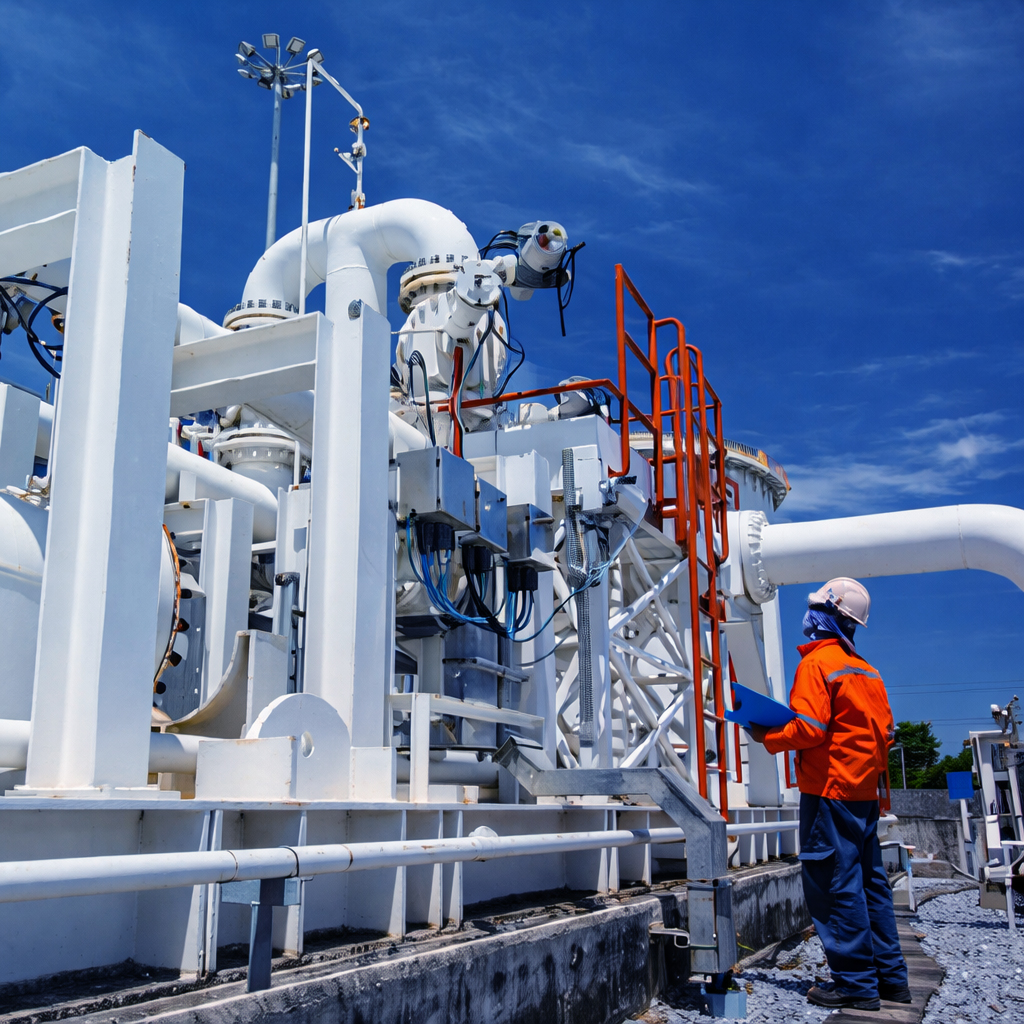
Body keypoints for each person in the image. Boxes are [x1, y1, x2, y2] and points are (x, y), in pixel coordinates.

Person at [747, 577, 911, 1012]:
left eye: (816, 607)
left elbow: (810, 729)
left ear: (831, 617)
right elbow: (887, 733)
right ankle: (891, 980)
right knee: (870, 884)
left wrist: (767, 735)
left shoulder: (817, 664)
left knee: (835, 885)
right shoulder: (868, 671)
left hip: (828, 792)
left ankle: (855, 984)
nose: (809, 615)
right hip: (863, 794)